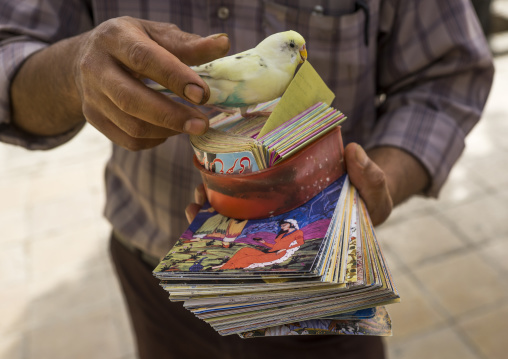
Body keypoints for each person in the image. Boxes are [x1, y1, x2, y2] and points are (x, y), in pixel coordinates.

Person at [0, 1, 494, 358]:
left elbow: (448, 75)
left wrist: (366, 190)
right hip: (158, 283)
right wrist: (74, 68)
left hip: (316, 284)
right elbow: (9, 52)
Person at [214, 219, 304, 269]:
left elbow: (301, 242)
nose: (282, 227)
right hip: (270, 252)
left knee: (247, 259)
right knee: (244, 250)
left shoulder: (298, 232)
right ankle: (227, 264)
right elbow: (275, 246)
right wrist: (264, 242)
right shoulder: (283, 234)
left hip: (277, 254)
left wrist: (286, 249)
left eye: (284, 225)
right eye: (281, 225)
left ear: (291, 224)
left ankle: (224, 269)